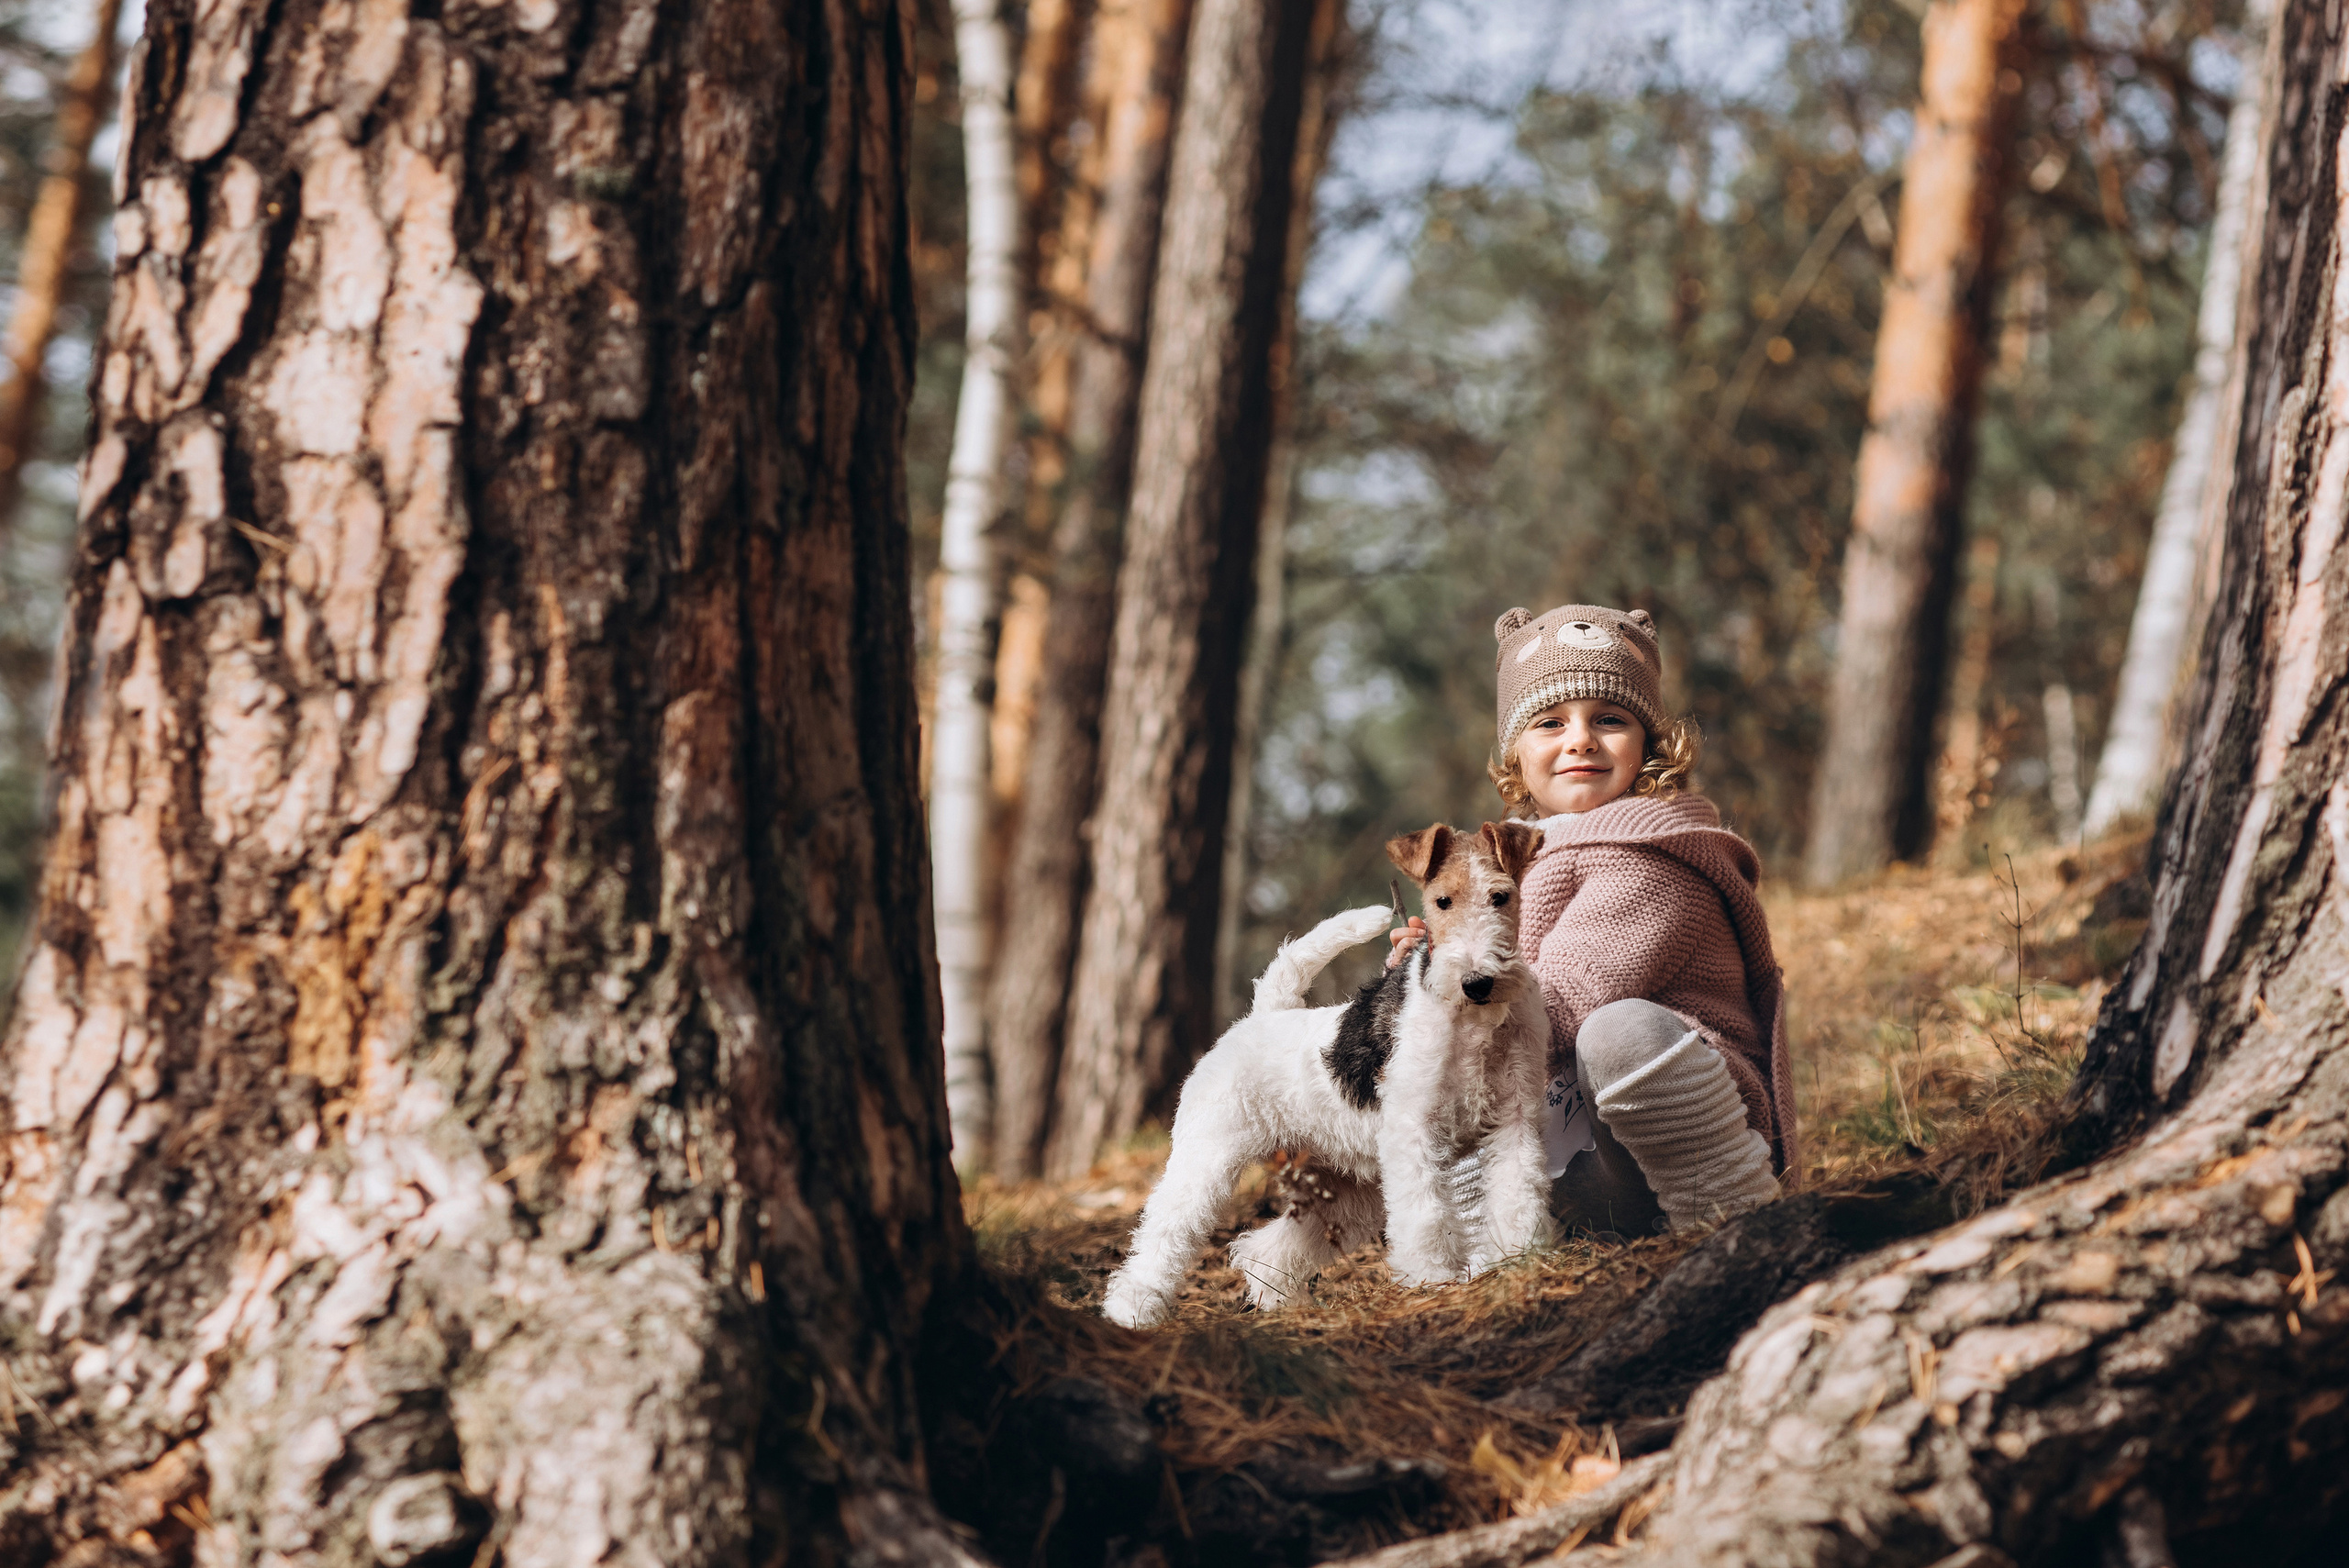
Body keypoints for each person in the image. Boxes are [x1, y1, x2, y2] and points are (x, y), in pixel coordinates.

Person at [1389, 603, 1793, 1237]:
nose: (1580, 738)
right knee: (1433, 1053)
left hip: (1672, 1123)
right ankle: (1485, 1241)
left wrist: (1453, 993)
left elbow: (1567, 1000)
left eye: (1609, 719)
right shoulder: (1505, 858)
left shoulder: (1654, 853)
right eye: (1550, 721)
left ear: (1650, 743)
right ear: (1515, 753)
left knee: (1616, 1030)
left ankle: (1731, 1211)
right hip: (1568, 1149)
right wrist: (1424, 972)